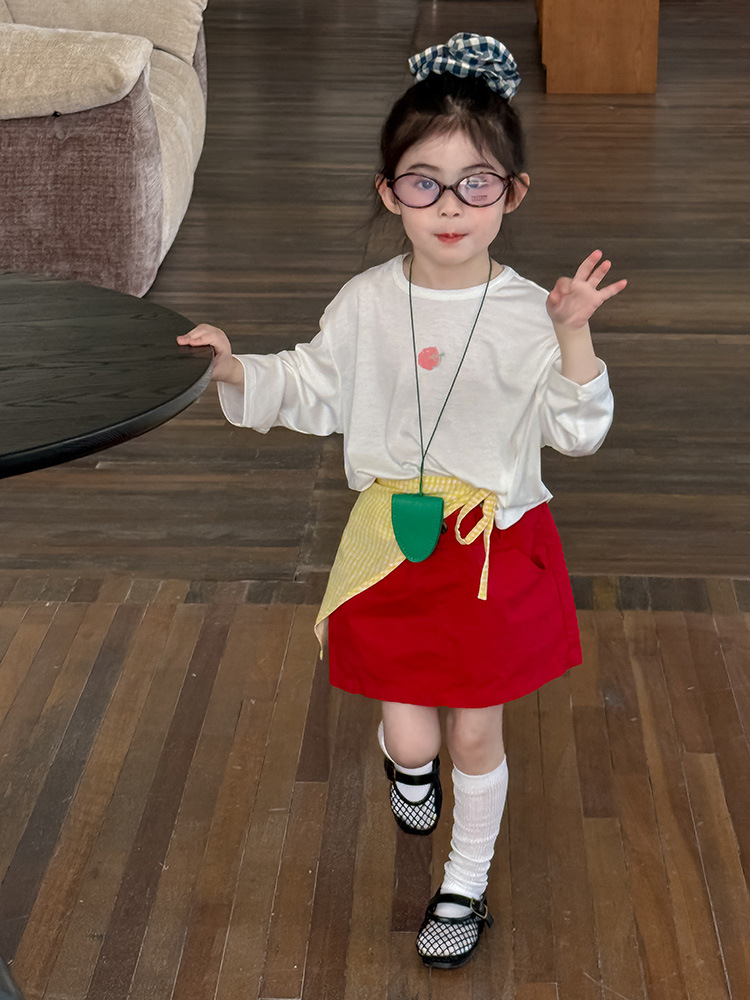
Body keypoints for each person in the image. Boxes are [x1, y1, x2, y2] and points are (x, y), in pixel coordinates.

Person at [177, 32, 626, 971]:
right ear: (389, 193)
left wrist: (575, 339)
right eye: (425, 182)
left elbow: (579, 431)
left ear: (513, 193)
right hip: (392, 543)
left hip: (493, 550)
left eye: (476, 183)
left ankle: (464, 883)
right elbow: (312, 385)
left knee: (474, 731)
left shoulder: (533, 314)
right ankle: (406, 765)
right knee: (412, 731)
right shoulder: (366, 302)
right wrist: (232, 368)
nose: (450, 206)